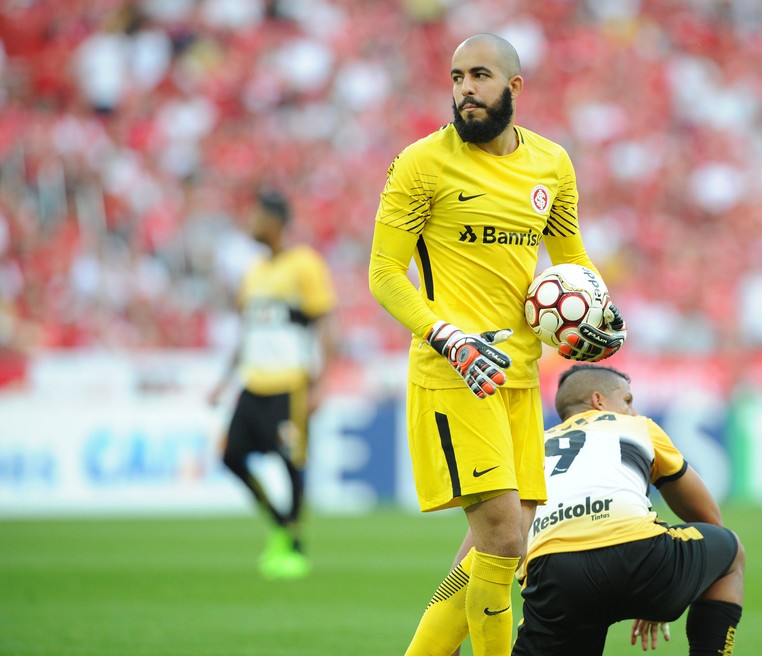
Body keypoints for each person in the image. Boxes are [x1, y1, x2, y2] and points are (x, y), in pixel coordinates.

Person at [367, 33, 626, 656]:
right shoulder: (420, 164)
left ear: (514, 87)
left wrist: (595, 314)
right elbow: (382, 274)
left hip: (517, 375)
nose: (463, 90)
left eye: (478, 76)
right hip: (453, 370)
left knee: (504, 540)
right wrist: (447, 334)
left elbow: (572, 265)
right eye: (456, 78)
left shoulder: (552, 166)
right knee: (505, 538)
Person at [511, 364, 745, 655]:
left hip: (553, 574)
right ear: (599, 401)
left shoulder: (530, 448)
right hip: (639, 556)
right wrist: (662, 589)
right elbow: (709, 518)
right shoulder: (637, 426)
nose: (633, 411)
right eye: (627, 401)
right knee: (731, 552)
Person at [208, 189, 337, 580]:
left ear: (276, 221)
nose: (250, 223)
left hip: (289, 382)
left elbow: (326, 323)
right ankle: (281, 523)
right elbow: (246, 333)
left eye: (256, 215)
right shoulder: (253, 273)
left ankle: (294, 547)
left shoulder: (304, 265)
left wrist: (322, 382)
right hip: (254, 381)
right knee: (231, 457)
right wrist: (223, 381)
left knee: (290, 461)